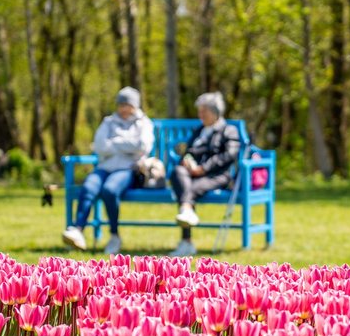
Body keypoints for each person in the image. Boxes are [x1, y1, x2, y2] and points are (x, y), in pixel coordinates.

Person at [62, 86, 154, 255]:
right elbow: (99, 146)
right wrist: (127, 144)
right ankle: (78, 230)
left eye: (128, 105)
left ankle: (114, 235)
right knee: (89, 187)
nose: (124, 109)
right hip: (104, 168)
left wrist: (115, 142)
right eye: (121, 104)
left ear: (135, 106)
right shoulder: (108, 122)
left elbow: (143, 145)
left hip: (128, 169)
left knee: (110, 190)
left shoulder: (143, 123)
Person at [169, 92, 241, 257]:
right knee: (177, 172)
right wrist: (187, 161)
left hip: (217, 175)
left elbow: (229, 155)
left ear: (215, 112)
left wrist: (203, 168)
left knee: (189, 189)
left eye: (204, 111)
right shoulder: (200, 130)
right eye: (199, 111)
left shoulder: (228, 131)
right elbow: (189, 151)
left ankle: (186, 241)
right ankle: (187, 211)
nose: (200, 115)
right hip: (193, 174)